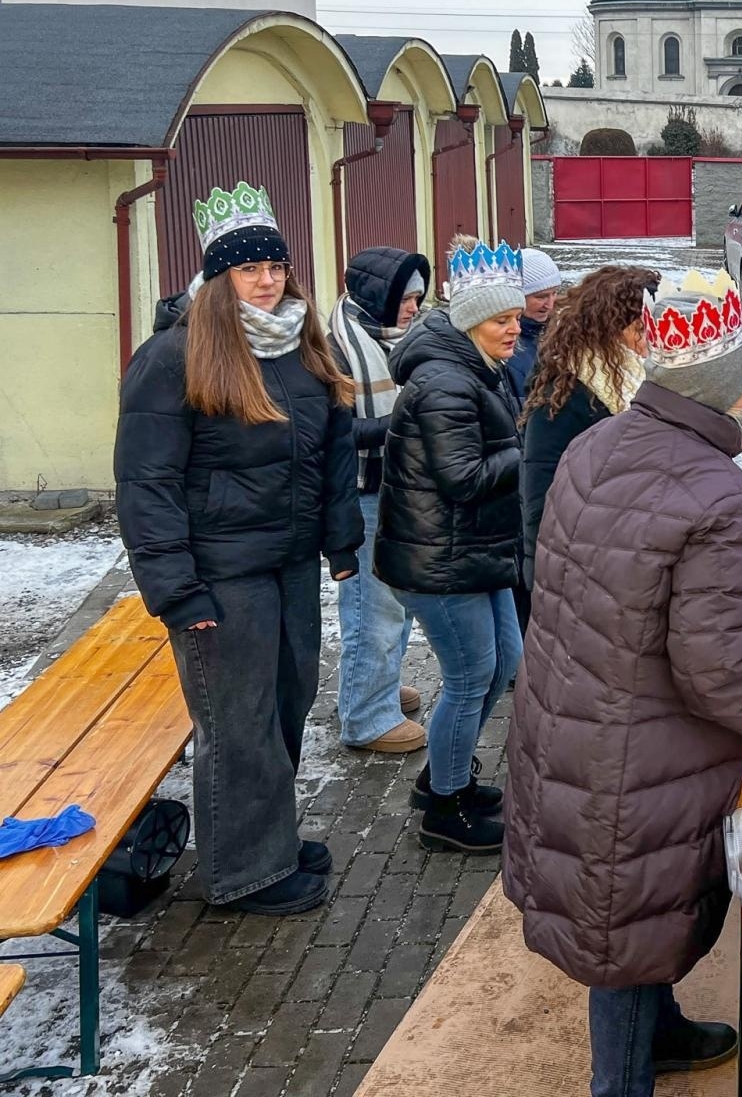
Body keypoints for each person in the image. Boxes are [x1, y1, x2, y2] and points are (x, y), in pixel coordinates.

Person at [504, 270, 742, 1096]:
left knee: (631, 913)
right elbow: (719, 669)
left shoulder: (596, 442)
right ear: (729, 385)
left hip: (580, 721)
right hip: (636, 750)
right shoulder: (722, 497)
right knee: (627, 920)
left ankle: (665, 1031)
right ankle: (621, 1082)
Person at [115, 181, 361, 915]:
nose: (267, 280)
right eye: (249, 268)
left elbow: (329, 452)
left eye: (276, 266)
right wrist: (176, 590)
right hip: (220, 574)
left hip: (289, 562)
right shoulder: (174, 358)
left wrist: (340, 539)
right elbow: (146, 484)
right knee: (239, 722)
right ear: (219, 278)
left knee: (288, 702)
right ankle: (246, 872)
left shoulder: (298, 345)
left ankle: (267, 837)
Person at [376, 241, 525, 854]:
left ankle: (448, 771)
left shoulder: (479, 367)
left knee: (505, 660)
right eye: (501, 319)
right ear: (469, 322)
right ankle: (445, 808)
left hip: (472, 550)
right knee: (470, 677)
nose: (514, 329)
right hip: (436, 558)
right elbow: (462, 478)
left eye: (516, 317)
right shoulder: (445, 382)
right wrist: (525, 453)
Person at [328, 246, 429, 753]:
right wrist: (399, 425)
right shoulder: (336, 347)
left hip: (399, 484)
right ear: (378, 296)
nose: (414, 307)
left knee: (398, 601)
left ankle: (375, 688)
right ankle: (366, 717)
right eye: (404, 298)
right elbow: (333, 432)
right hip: (362, 490)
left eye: (418, 297)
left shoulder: (397, 336)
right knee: (373, 607)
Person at [519, 265, 652, 587]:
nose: (649, 340)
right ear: (611, 328)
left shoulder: (632, 378)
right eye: (640, 329)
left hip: (613, 559)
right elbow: (540, 493)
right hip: (570, 570)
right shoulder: (566, 393)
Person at [505, 247, 561, 403]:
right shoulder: (508, 348)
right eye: (541, 297)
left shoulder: (559, 332)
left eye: (554, 293)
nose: (550, 305)